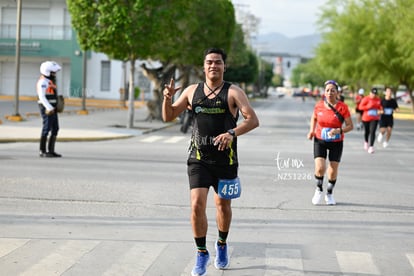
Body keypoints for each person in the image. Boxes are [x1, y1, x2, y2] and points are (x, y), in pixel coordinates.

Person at [162, 48, 259, 276]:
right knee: (196, 204)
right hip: (198, 158)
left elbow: (253, 120)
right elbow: (168, 116)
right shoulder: (191, 91)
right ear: (203, 66)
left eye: (218, 62)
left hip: (226, 161)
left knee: (222, 206)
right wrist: (167, 98)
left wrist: (231, 133)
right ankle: (201, 252)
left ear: (224, 66)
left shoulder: (233, 92)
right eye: (209, 62)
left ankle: (222, 244)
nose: (213, 65)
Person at [307, 80, 353, 205]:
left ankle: (329, 193)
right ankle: (318, 189)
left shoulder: (343, 107)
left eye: (332, 90)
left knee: (332, 171)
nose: (329, 92)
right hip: (320, 140)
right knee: (320, 168)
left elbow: (350, 126)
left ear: (337, 92)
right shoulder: (319, 105)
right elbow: (314, 117)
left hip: (336, 142)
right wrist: (311, 130)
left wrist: (339, 130)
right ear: (324, 92)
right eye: (327, 90)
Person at [37, 61, 62, 158]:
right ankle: (42, 151)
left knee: (55, 128)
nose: (54, 74)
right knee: (46, 128)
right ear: (47, 72)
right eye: (53, 72)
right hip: (46, 108)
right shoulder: (42, 82)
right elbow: (42, 97)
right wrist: (49, 108)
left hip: (52, 108)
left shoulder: (50, 81)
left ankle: (51, 150)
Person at [358, 87, 382, 154]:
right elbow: (360, 107)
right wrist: (368, 107)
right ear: (370, 93)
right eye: (372, 93)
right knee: (367, 131)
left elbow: (380, 108)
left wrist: (380, 111)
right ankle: (366, 141)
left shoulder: (378, 100)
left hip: (375, 118)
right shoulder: (366, 99)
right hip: (366, 118)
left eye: (375, 94)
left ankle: (371, 147)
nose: (374, 95)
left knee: (373, 131)